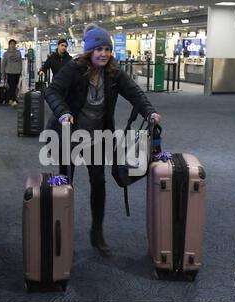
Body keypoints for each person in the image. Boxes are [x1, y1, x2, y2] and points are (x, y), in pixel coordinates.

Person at [45, 24, 161, 257]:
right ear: (89, 51)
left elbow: (135, 94)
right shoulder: (74, 68)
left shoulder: (114, 73)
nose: (104, 54)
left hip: (97, 136)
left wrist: (149, 112)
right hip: (69, 133)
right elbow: (52, 91)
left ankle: (96, 232)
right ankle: (63, 233)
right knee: (66, 183)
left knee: (98, 181)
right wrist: (63, 112)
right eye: (99, 49)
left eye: (107, 49)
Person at [2, 39, 22, 107]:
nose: (13, 45)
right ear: (9, 45)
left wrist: (21, 71)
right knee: (12, 86)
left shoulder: (18, 52)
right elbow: (3, 64)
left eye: (14, 44)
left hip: (17, 72)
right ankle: (14, 100)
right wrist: (3, 74)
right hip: (10, 72)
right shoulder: (6, 54)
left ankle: (10, 99)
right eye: (11, 44)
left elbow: (20, 62)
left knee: (15, 86)